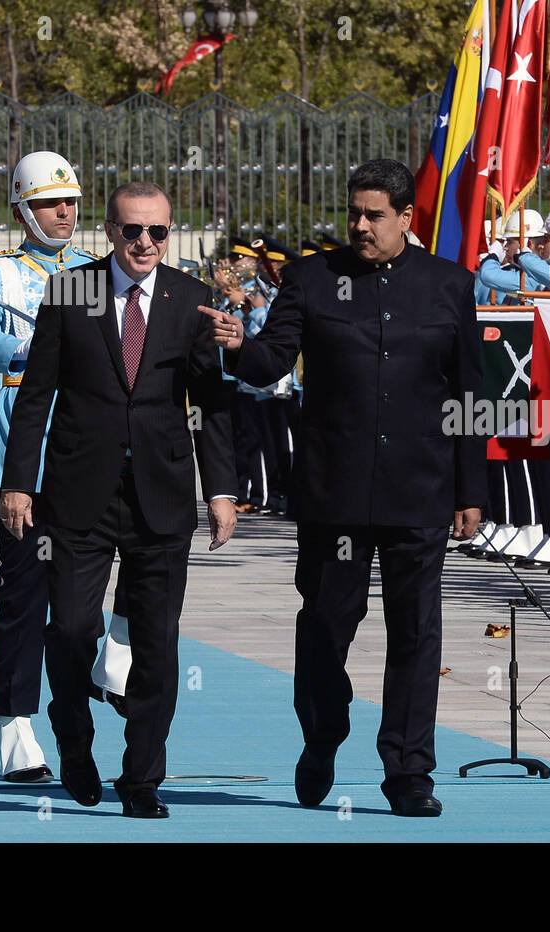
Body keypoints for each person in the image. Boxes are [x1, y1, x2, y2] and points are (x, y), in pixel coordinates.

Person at [201, 158, 486, 817]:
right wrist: (240, 346)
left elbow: (471, 392)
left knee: (417, 635)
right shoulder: (313, 277)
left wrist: (472, 489)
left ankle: (409, 772)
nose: (359, 225)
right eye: (353, 212)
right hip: (336, 495)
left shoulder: (449, 285)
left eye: (373, 215)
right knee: (328, 625)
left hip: (421, 490)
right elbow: (273, 357)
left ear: (407, 218)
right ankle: (322, 734)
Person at [0, 181, 236, 818]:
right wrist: (18, 481)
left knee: (158, 645)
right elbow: (37, 394)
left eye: (158, 231)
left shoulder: (192, 299)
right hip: (78, 495)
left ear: (170, 232)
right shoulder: (72, 290)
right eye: (133, 230)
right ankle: (74, 743)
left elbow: (211, 403)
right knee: (73, 632)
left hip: (161, 496)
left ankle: (140, 780)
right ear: (109, 231)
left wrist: (221, 490)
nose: (145, 243)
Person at [0, 151, 108, 782]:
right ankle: (14, 724)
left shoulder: (94, 272)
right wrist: (29, 342)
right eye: (50, 203)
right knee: (22, 593)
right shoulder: (2, 271)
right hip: (28, 445)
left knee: (95, 581)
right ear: (23, 209)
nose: (65, 213)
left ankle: (105, 667)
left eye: (71, 201)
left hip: (90, 446)